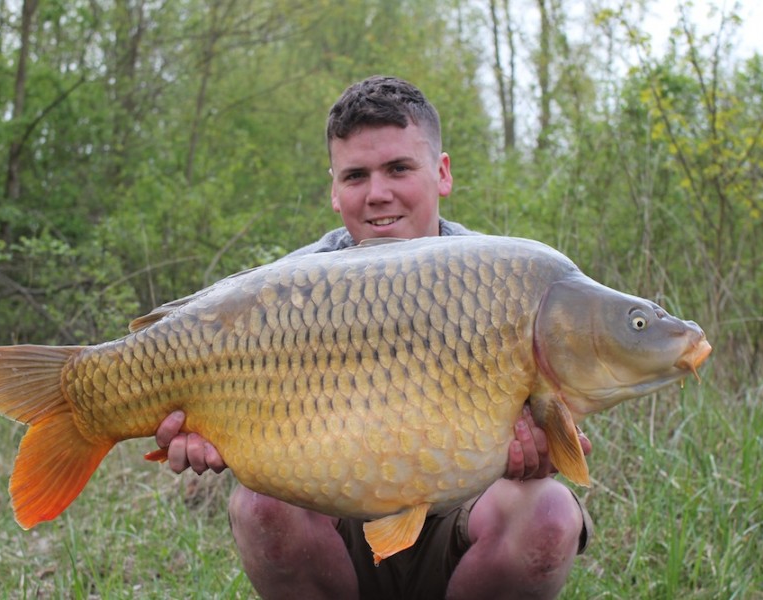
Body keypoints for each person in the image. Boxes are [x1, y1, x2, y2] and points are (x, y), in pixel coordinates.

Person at [153, 75, 593, 600]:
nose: (378, 193)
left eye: (399, 169)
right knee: (260, 506)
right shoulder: (290, 290)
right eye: (356, 175)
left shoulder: (507, 280)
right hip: (337, 523)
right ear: (335, 191)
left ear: (442, 172)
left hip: (467, 521)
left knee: (548, 512)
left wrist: (540, 456)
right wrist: (204, 435)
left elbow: (562, 422)